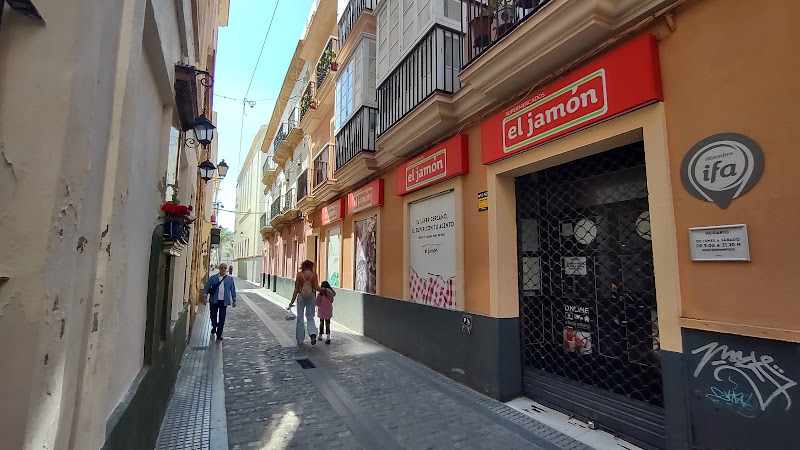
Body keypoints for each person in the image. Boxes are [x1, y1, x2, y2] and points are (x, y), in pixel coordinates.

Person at [288, 260, 319, 345]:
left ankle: (300, 339)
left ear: (303, 266)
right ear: (311, 266)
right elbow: (316, 287)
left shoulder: (299, 275)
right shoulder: (314, 275)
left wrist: (291, 302)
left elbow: (296, 289)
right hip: (311, 297)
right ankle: (312, 334)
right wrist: (325, 290)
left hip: (301, 297)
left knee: (300, 318)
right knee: (310, 317)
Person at [204, 263, 236, 341]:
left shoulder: (230, 279)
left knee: (222, 318)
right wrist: (205, 297)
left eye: (225, 268)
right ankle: (214, 326)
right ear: (219, 268)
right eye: (222, 268)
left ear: (226, 269)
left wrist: (234, 300)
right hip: (214, 300)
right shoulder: (213, 278)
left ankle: (219, 334)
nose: (223, 269)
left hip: (224, 301)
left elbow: (233, 290)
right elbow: (207, 287)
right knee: (213, 316)